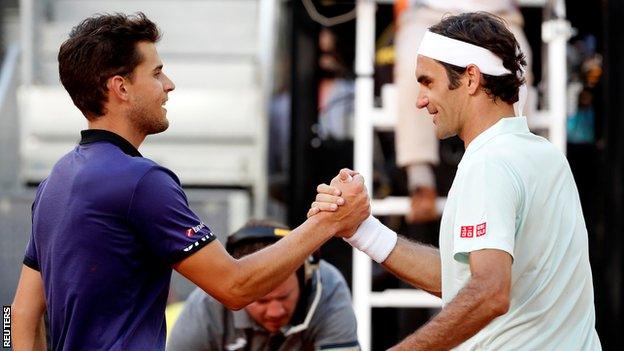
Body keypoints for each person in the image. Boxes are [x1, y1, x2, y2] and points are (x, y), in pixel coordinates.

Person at [10, 13, 370, 351]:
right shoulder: (142, 180)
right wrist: (327, 222)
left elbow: (14, 316)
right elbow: (235, 286)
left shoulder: (54, 181)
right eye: (156, 73)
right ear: (121, 87)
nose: (169, 85)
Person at [310, 12, 601, 350]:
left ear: (471, 79)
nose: (419, 100)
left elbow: (489, 293)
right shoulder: (545, 155)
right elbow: (463, 280)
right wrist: (363, 230)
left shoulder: (489, 164)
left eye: (427, 82)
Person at [393, 0, 532, 224]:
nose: (422, 101)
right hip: (428, 14)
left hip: (496, 15)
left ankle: (515, 174)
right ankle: (421, 182)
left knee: (518, 68)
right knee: (413, 68)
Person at [166, 220, 360, 351]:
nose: (275, 312)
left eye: (283, 297)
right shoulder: (207, 303)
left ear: (306, 277)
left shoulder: (328, 286)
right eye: (261, 300)